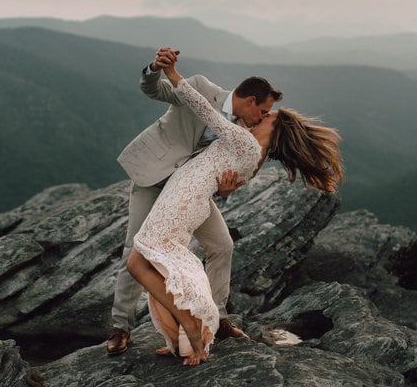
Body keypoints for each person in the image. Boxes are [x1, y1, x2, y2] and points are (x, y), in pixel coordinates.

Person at [127, 57, 343, 366]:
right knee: (155, 262)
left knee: (140, 262)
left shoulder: (245, 142)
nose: (262, 116)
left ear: (273, 126)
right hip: (188, 195)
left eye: (269, 115)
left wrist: (173, 73)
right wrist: (225, 188)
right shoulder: (252, 151)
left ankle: (192, 327)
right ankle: (180, 340)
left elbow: (203, 109)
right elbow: (224, 174)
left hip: (183, 198)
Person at [106, 47, 283, 355]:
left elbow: (227, 175)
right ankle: (121, 327)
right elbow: (153, 90)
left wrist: (227, 191)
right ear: (251, 100)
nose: (262, 118)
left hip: (188, 193)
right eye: (262, 111)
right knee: (134, 249)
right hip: (154, 176)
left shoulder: (243, 131)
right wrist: (155, 67)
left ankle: (218, 319)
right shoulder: (200, 87)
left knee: (222, 245)